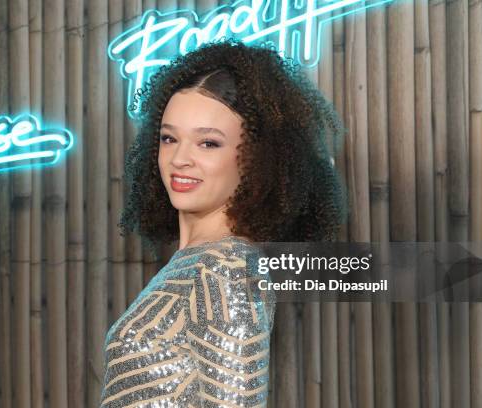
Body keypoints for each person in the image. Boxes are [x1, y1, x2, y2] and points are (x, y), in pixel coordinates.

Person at [100, 39, 345, 407]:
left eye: (208, 143)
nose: (180, 158)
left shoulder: (224, 271)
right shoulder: (197, 263)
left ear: (255, 160)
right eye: (169, 138)